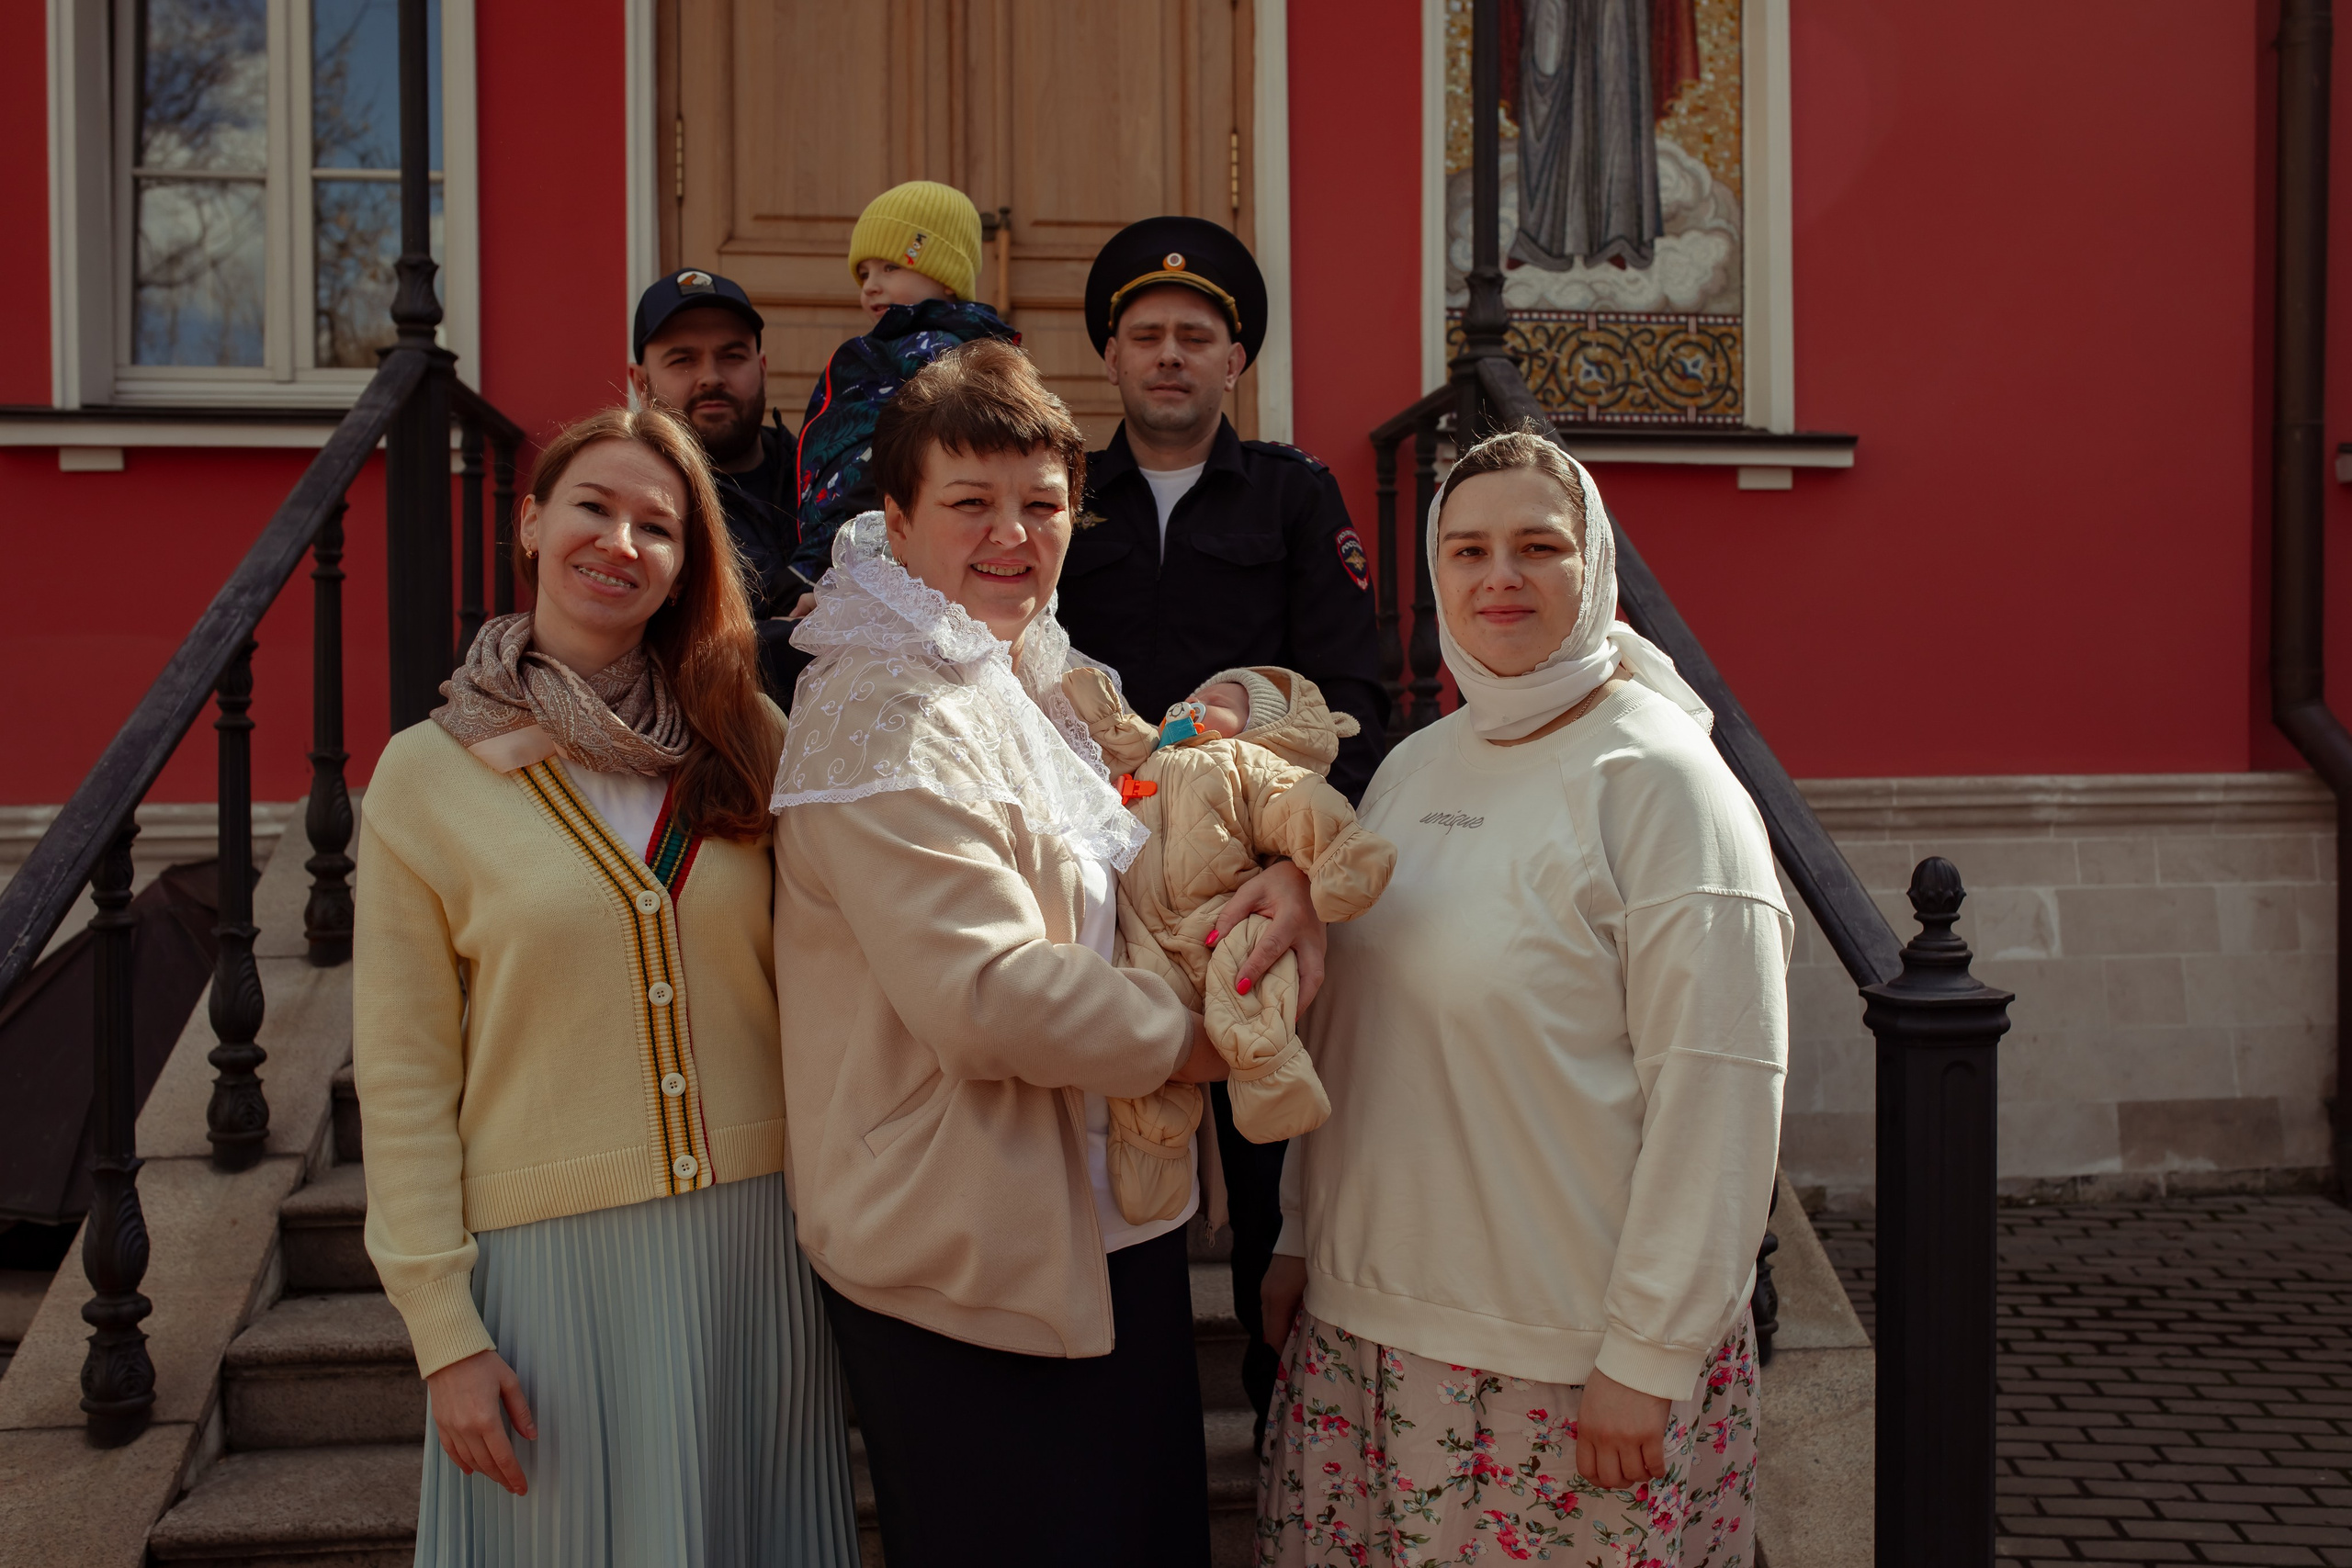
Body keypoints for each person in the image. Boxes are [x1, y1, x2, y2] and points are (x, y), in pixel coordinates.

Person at [769, 340, 1329, 1567]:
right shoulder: (883, 702)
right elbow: (986, 995)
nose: (1011, 533)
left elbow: (1171, 818)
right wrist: (1207, 1041)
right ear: (899, 522)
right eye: (970, 502)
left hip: (1102, 1218)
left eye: (1041, 501)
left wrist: (1281, 874)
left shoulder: (1034, 673)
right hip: (965, 1234)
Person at [1257, 428, 1788, 1566]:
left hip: (1566, 1369)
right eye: (1467, 549)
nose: (1498, 577)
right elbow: (1350, 1039)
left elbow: (1719, 1095)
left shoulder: (1662, 787)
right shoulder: (1412, 767)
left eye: (1537, 547)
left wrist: (1647, 1356)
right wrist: (1301, 1237)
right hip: (1371, 1343)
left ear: (1591, 567)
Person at [355, 405, 856, 1566]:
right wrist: (443, 1334)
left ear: (685, 567)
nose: (619, 542)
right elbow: (403, 1067)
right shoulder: (426, 778)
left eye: (657, 526)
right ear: (530, 525)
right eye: (593, 507)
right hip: (545, 1279)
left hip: (755, 1259)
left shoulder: (750, 738)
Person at [1057, 214, 1390, 1450]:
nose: (1170, 356)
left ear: (1234, 359)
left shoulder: (1294, 496)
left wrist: (1300, 863)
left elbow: (1358, 692)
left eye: (1196, 336)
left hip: (1249, 889)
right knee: (1103, 1171)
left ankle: (1291, 1444)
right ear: (1110, 354)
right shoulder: (1059, 501)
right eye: (1146, 334)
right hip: (1087, 885)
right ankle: (1115, 1450)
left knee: (1269, 1181)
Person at [1057, 664, 1394, 1227]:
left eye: (1218, 700)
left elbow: (1298, 805)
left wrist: (1340, 853)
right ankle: (1152, 1159)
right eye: (1192, 695)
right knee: (1144, 1048)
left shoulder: (1245, 764)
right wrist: (1096, 699)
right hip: (1142, 938)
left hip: (1220, 919)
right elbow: (1117, 733)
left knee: (1252, 973)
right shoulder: (1148, 760)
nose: (1194, 703)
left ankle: (1271, 1077)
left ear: (1266, 731)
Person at [791, 179, 1019, 590]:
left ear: (944, 275)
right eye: (864, 273)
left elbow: (890, 463)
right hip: (833, 545)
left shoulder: (944, 358)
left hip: (876, 555)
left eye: (890, 267)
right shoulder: (880, 351)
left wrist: (816, 564)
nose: (870, 286)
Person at [628, 266, 806, 699]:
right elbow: (655, 656)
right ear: (640, 383)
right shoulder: (633, 505)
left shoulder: (824, 479)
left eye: (732, 355)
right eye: (683, 359)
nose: (711, 376)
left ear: (761, 368)